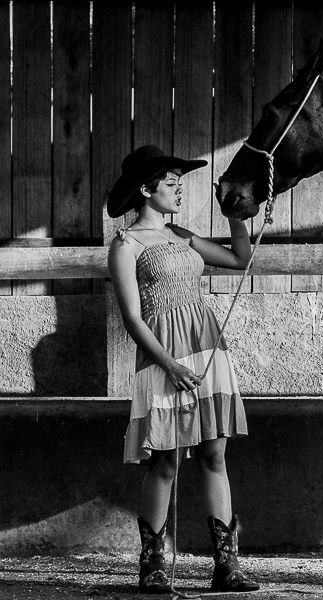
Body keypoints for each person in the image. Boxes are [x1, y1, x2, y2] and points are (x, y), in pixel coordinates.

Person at [107, 144, 259, 594]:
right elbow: (132, 318)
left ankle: (226, 566)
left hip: (206, 348)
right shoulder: (127, 245)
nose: (179, 190)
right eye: (171, 183)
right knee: (165, 460)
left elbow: (240, 258)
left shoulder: (182, 235)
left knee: (215, 454)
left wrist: (234, 213)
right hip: (163, 356)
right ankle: (153, 566)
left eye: (179, 183)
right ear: (145, 189)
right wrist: (168, 363)